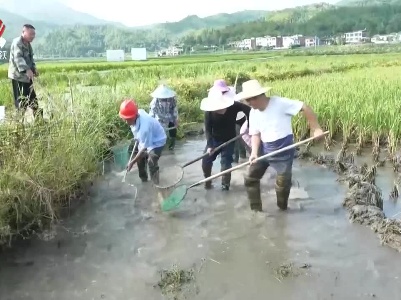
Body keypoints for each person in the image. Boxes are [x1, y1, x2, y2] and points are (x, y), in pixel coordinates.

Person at [235, 79, 324, 211]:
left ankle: (282, 211)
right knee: (250, 179)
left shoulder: (280, 103)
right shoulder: (253, 112)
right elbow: (255, 134)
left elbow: (304, 107)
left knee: (282, 185)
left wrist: (315, 128)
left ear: (258, 97)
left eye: (249, 100)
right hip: (263, 150)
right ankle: (256, 211)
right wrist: (254, 153)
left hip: (282, 149)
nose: (247, 104)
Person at [200, 81, 251, 191]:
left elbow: (249, 111)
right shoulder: (209, 111)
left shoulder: (233, 105)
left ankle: (225, 186)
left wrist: (249, 126)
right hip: (214, 139)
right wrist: (209, 145)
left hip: (230, 139)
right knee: (205, 161)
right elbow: (208, 129)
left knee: (226, 164)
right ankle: (208, 182)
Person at [119, 99, 167, 184]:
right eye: (124, 119)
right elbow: (137, 133)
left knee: (151, 161)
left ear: (134, 116)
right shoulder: (137, 114)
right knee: (139, 159)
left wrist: (132, 162)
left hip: (157, 141)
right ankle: (144, 180)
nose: (126, 122)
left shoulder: (144, 128)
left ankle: (155, 184)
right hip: (147, 137)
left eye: (128, 119)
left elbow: (144, 148)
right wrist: (135, 159)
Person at [8, 24, 42, 118]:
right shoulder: (17, 43)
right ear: (23, 32)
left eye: (34, 34)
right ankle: (18, 124)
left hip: (27, 77)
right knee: (21, 102)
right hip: (19, 77)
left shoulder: (28, 44)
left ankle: (39, 121)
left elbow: (31, 59)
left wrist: (34, 69)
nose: (33, 36)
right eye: (31, 34)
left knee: (33, 100)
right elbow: (18, 58)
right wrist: (27, 69)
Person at [149, 84, 178, 150]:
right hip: (159, 119)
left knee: (173, 132)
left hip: (170, 117)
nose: (164, 99)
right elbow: (151, 115)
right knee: (159, 136)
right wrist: (151, 125)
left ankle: (171, 147)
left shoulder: (172, 99)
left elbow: (174, 110)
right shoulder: (154, 102)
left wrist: (176, 120)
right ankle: (159, 147)